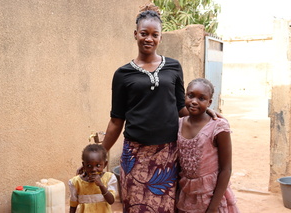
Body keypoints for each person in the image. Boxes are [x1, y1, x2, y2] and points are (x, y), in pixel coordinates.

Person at [101, 3, 219, 213]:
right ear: (135, 34)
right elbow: (116, 119)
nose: (149, 38)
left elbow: (180, 107)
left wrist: (204, 114)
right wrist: (101, 152)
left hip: (167, 153)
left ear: (161, 37)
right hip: (135, 154)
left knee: (165, 207)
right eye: (144, 33)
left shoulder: (173, 67)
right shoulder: (122, 74)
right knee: (135, 206)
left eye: (155, 34)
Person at [177, 78, 239, 213]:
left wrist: (212, 208)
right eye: (191, 95)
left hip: (212, 197)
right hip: (186, 196)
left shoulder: (218, 127)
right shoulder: (178, 124)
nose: (194, 101)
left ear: (209, 102)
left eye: (202, 98)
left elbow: (226, 169)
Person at [68, 144, 118, 213]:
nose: (94, 169)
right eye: (89, 166)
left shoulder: (109, 178)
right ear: (84, 165)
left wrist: (101, 185)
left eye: (98, 165)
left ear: (105, 164)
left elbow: (111, 201)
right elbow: (73, 204)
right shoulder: (76, 182)